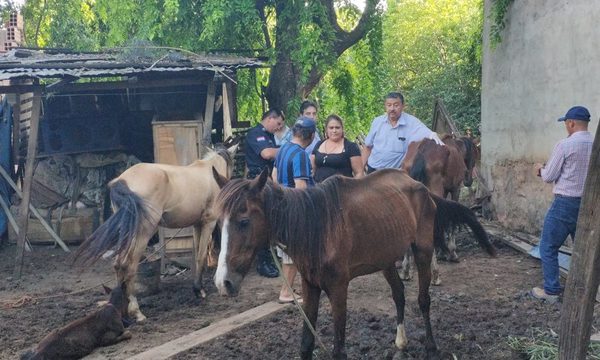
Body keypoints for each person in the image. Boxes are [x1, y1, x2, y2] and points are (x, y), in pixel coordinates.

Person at [531, 106, 594, 303]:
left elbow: (550, 176)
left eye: (566, 123)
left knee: (548, 246)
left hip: (565, 204)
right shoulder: (595, 144)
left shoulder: (564, 145)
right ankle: (585, 289)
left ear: (571, 123)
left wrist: (540, 169)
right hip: (590, 205)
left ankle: (551, 290)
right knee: (584, 248)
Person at [272, 116, 316, 303]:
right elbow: (301, 188)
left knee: (287, 252)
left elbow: (274, 177)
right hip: (295, 210)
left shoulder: (283, 149)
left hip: (282, 205)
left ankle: (290, 288)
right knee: (292, 252)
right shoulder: (300, 154)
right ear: (312, 136)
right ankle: (286, 292)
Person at [244, 108, 284, 278]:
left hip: (267, 181)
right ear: (270, 119)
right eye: (278, 123)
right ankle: (263, 262)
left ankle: (269, 258)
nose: (279, 127)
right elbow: (267, 154)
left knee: (269, 220)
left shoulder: (268, 136)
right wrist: (288, 149)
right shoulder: (255, 134)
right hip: (257, 184)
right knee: (261, 221)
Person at [362, 92, 443, 173]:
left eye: (396, 105)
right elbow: (368, 147)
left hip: (395, 174)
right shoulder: (377, 121)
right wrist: (360, 170)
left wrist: (432, 134)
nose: (392, 109)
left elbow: (424, 131)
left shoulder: (412, 122)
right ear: (385, 106)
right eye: (389, 105)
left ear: (403, 106)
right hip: (373, 171)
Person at [311, 114, 364, 182]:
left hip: (342, 190)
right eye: (331, 128)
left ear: (342, 129)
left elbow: (359, 173)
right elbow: (313, 170)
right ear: (326, 129)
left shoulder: (351, 147)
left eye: (337, 127)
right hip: (319, 189)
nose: (334, 131)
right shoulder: (319, 144)